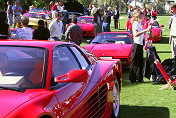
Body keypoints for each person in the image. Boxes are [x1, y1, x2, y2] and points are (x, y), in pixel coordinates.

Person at [129, 8, 152, 83]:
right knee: (135, 62)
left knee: (140, 62)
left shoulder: (139, 23)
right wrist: (145, 30)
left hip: (140, 44)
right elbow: (136, 34)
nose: (143, 14)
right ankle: (132, 78)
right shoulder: (135, 23)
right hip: (136, 44)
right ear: (138, 15)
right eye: (142, 13)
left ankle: (139, 78)